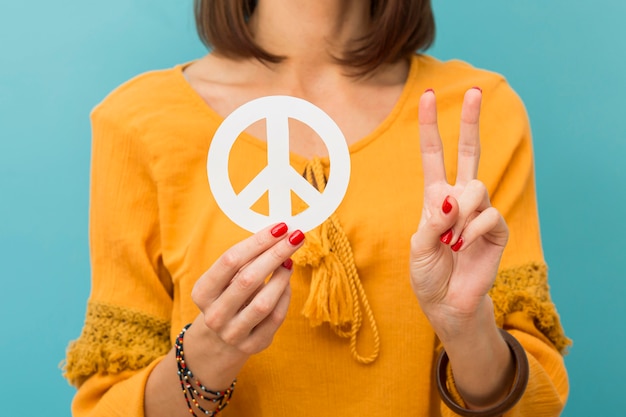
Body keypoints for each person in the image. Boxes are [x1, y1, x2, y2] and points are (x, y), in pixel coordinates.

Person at [63, 0, 570, 416]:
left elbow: (534, 406)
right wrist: (210, 354)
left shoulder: (478, 111)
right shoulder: (137, 122)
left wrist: (467, 330)